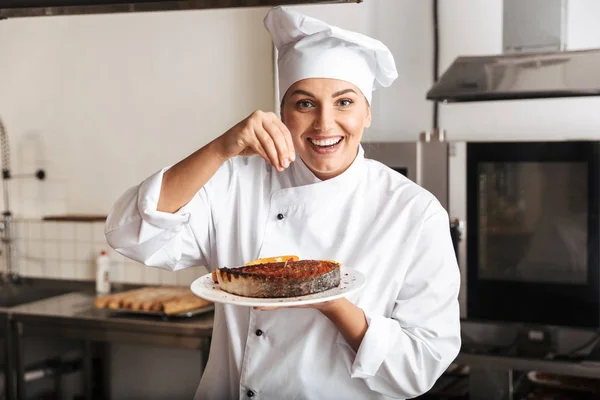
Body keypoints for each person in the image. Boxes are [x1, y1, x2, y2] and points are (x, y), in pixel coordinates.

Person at [105, 6, 460, 400]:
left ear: (367, 113)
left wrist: (331, 303)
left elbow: (422, 364)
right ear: (283, 113)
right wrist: (221, 148)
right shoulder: (237, 183)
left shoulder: (414, 212)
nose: (325, 124)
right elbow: (132, 235)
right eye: (304, 104)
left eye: (344, 103)